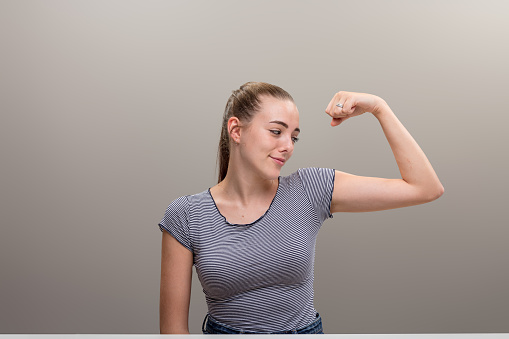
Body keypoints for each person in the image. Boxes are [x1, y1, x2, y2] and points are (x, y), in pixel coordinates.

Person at [158, 81, 444, 334]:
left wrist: (379, 108)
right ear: (236, 130)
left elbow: (425, 188)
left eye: (293, 137)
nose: (288, 146)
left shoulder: (309, 188)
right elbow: (173, 331)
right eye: (276, 131)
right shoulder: (186, 215)